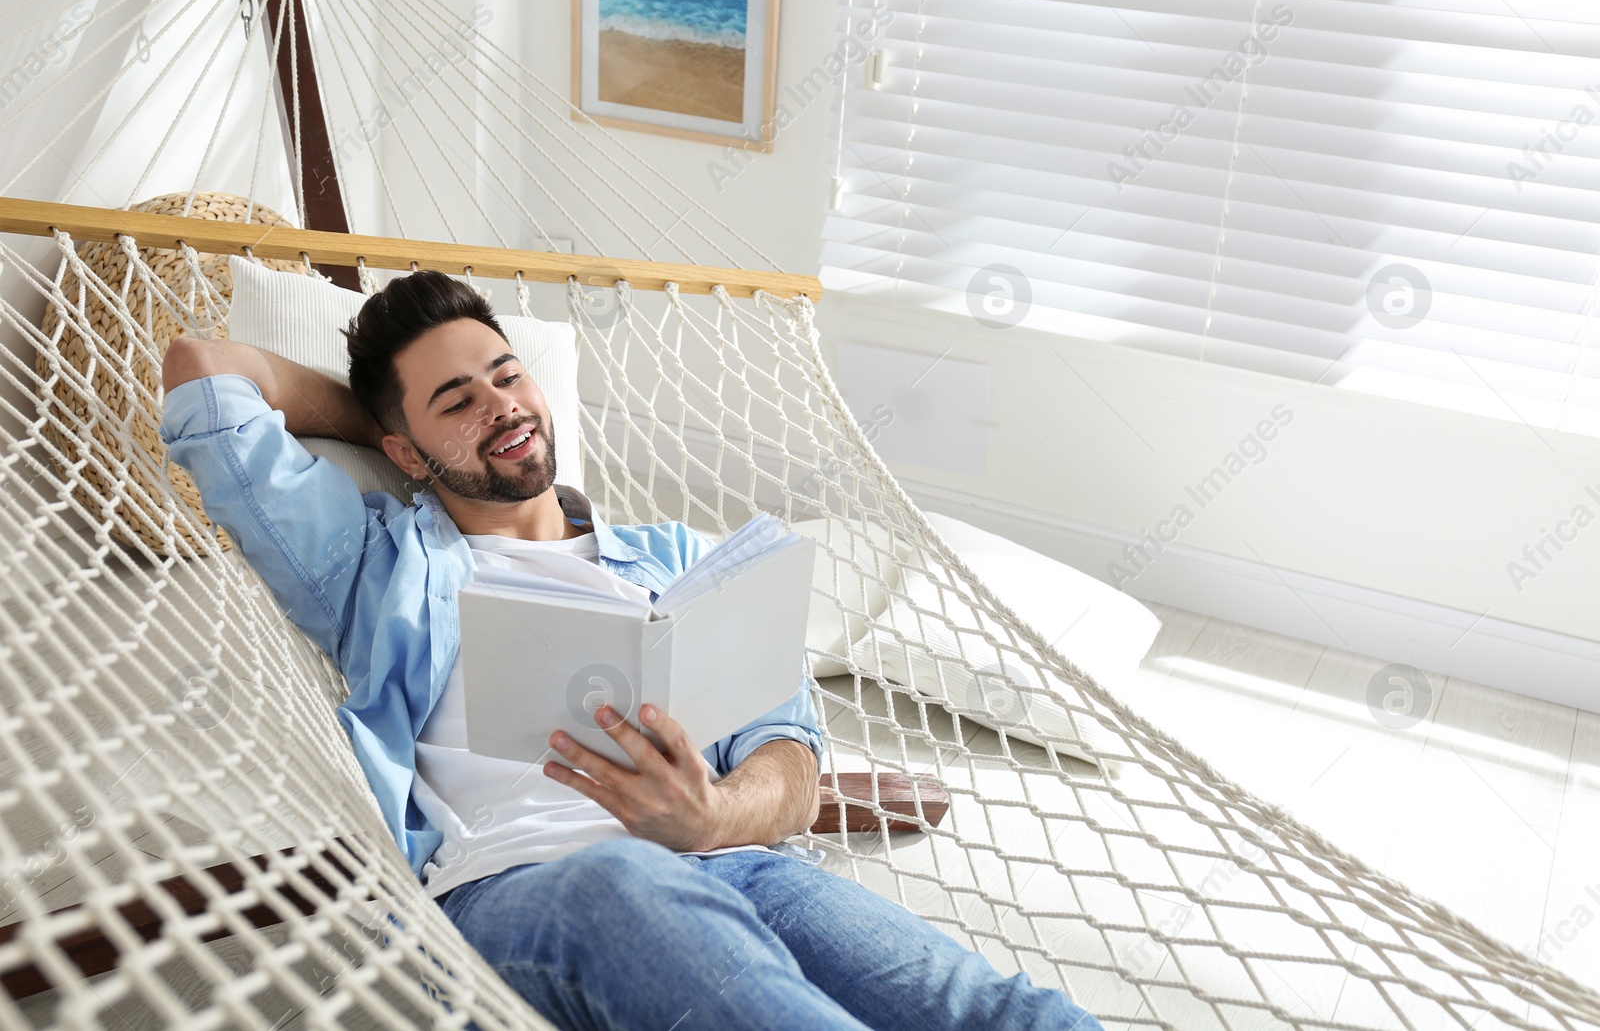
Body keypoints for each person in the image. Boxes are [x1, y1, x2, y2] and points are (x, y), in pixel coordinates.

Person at [158, 270, 1104, 1031]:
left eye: (506, 373)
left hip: (734, 862)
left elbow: (793, 762)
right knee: (630, 880)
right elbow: (203, 370)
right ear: (401, 450)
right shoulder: (376, 566)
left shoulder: (683, 562)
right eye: (457, 398)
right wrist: (384, 425)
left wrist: (713, 814)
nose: (503, 403)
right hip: (519, 891)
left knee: (991, 1008)